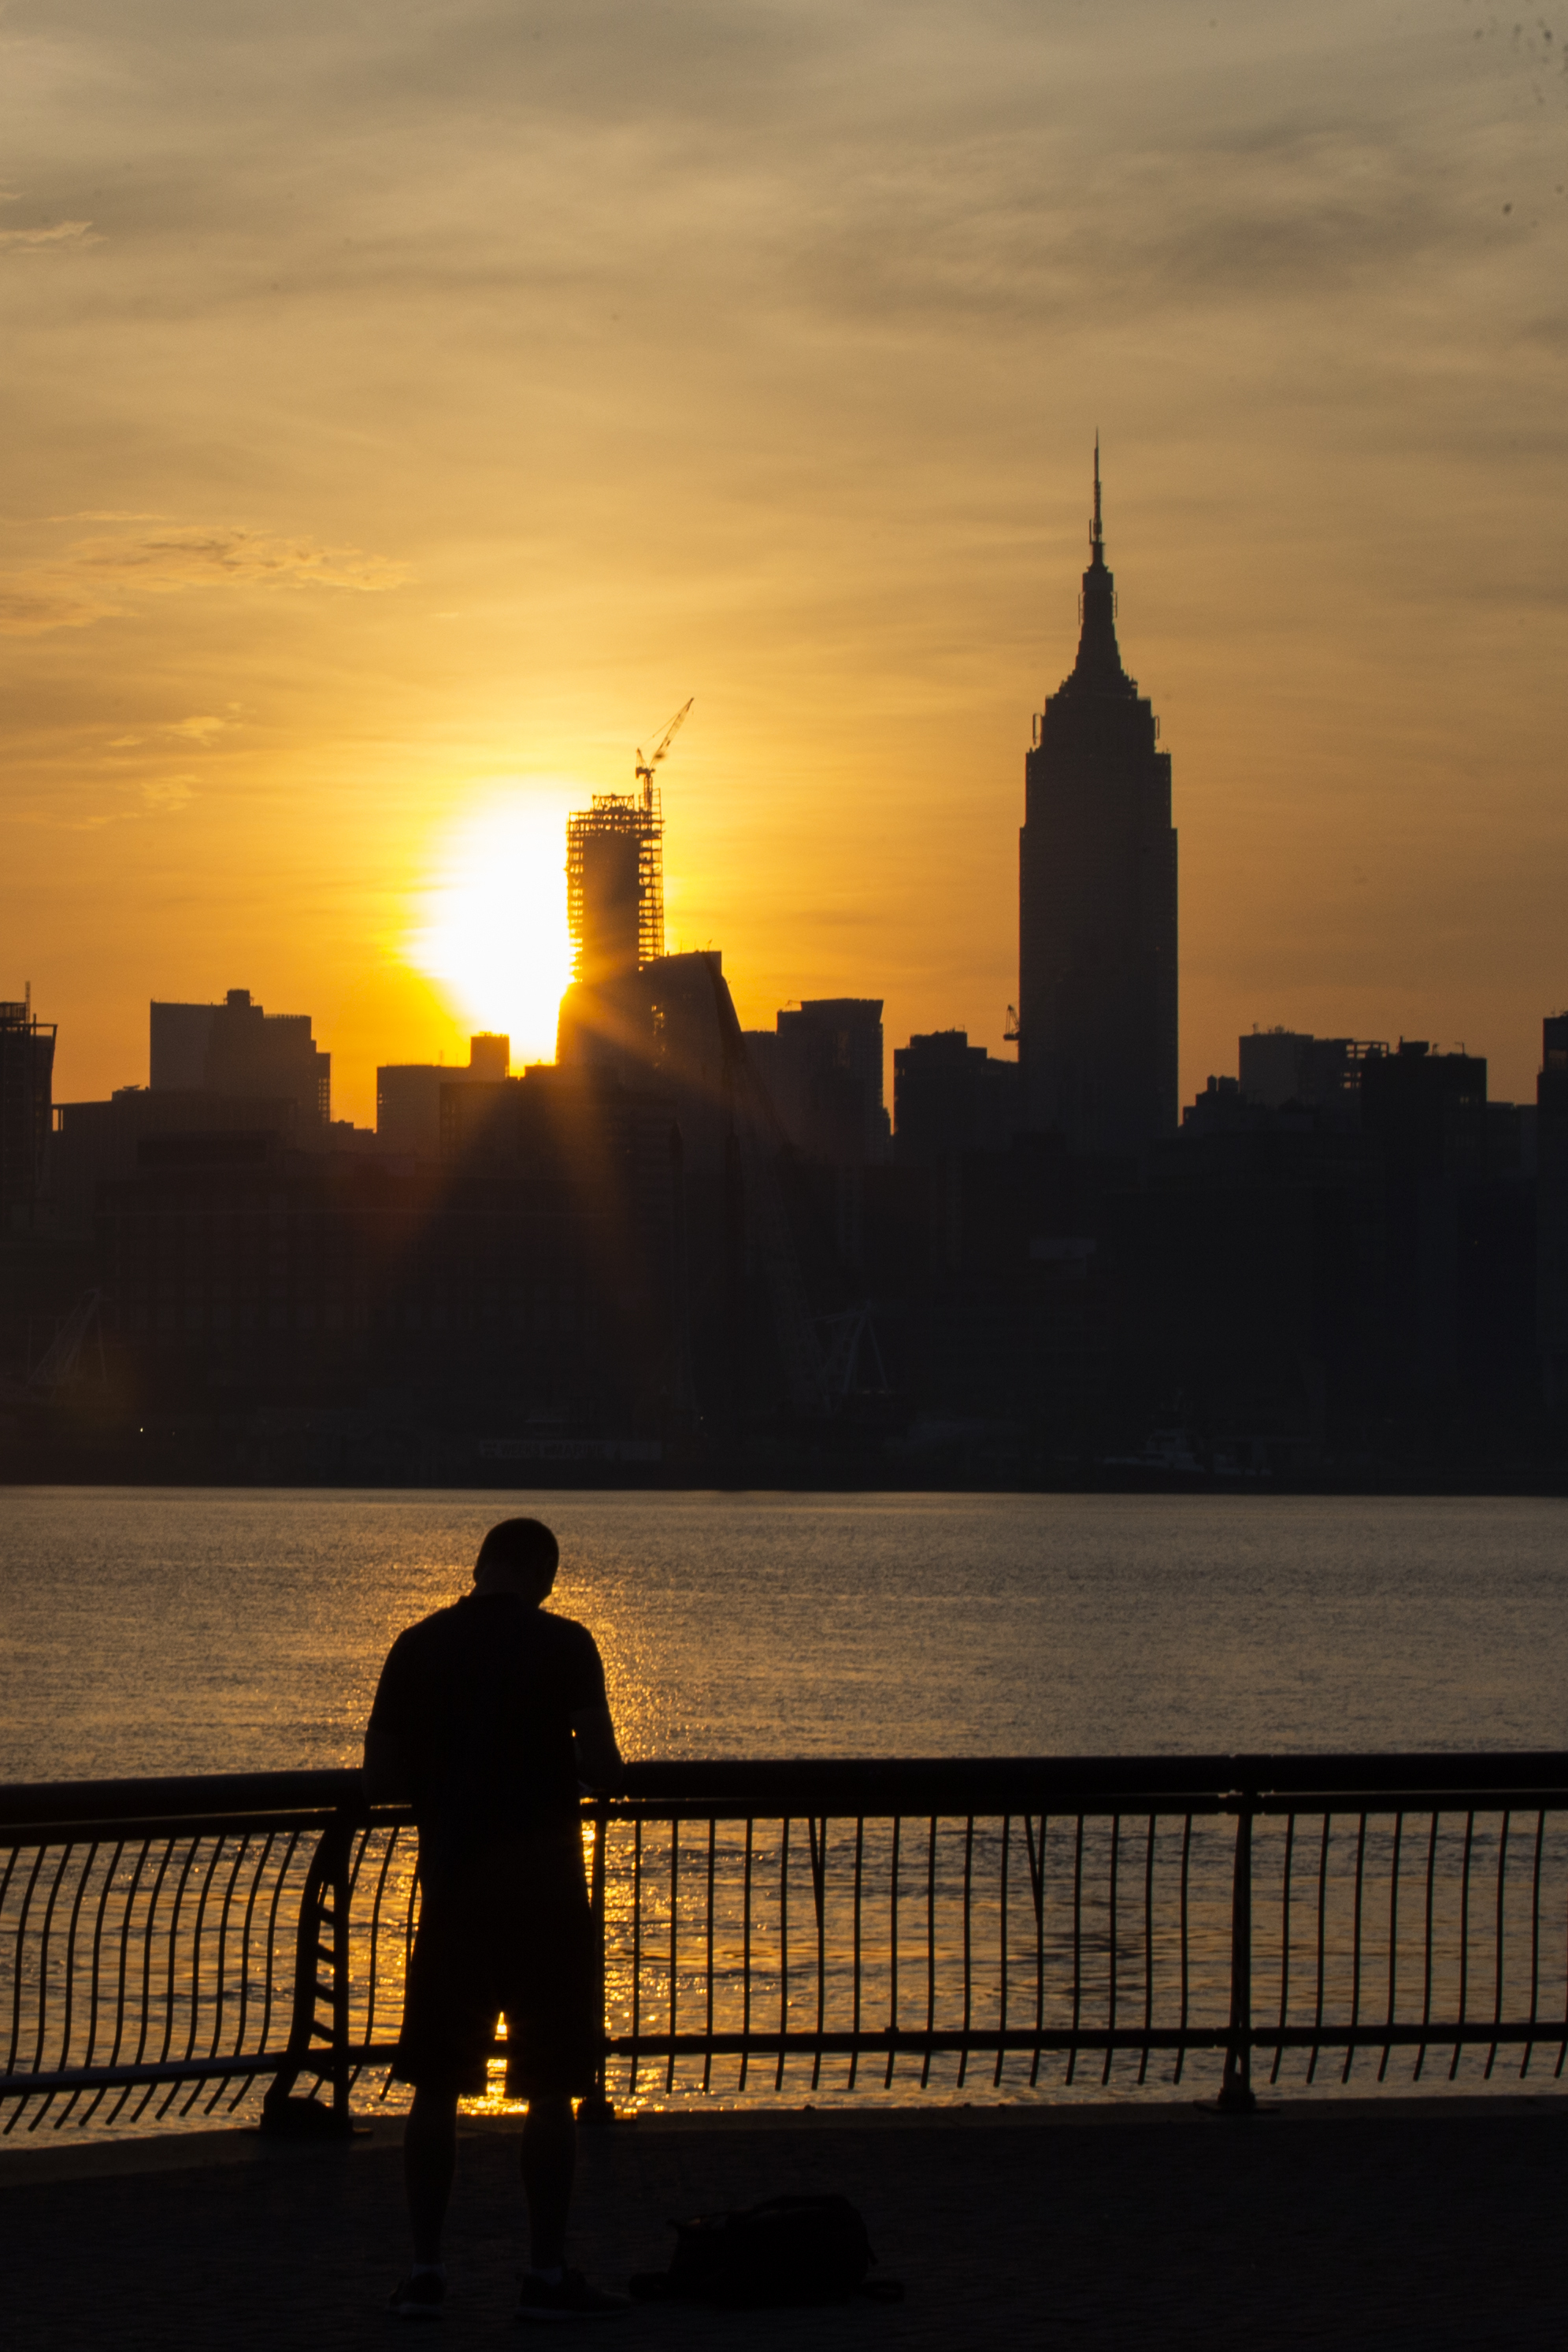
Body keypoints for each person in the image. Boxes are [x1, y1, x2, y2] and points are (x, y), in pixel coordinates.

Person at [363, 1515, 628, 2322]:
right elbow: (605, 1768)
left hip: (453, 1889)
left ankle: (426, 2269)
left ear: (478, 1567)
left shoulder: (416, 1644)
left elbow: (378, 1778)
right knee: (550, 2088)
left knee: (436, 2088)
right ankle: (546, 2273)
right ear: (544, 1575)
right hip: (546, 1891)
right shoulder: (568, 1644)